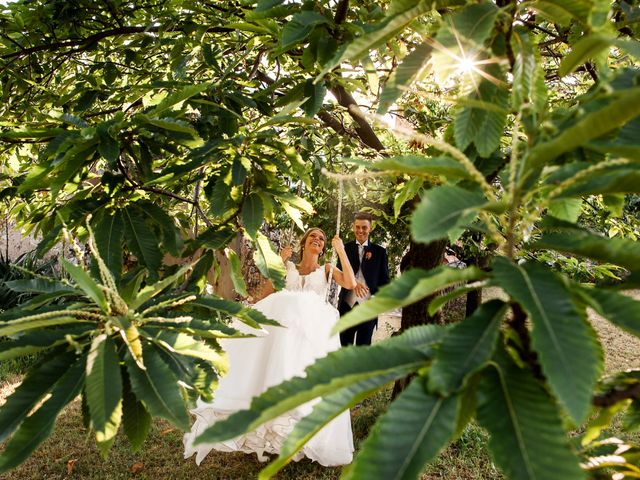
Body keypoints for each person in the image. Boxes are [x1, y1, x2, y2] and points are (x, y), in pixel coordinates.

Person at [184, 227, 357, 467]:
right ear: (304, 243)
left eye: (322, 238)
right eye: (313, 236)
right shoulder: (289, 269)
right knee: (275, 369)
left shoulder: (326, 269)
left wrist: (341, 251)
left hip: (310, 330)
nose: (317, 239)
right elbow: (263, 296)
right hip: (284, 330)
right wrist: (279, 261)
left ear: (324, 247)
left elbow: (349, 282)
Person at [337, 212, 390, 346]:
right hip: (346, 306)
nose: (360, 231)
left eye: (364, 227)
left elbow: (384, 281)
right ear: (353, 227)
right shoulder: (345, 249)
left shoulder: (380, 252)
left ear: (370, 228)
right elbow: (339, 274)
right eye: (358, 227)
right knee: (343, 347)